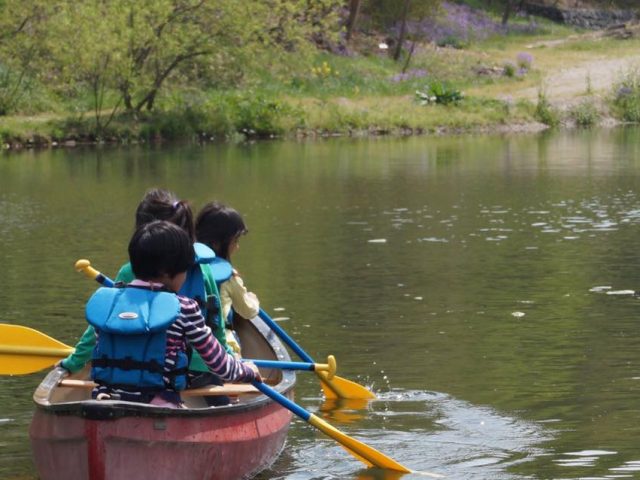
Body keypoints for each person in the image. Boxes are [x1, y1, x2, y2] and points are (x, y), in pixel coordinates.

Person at [59, 189, 232, 392]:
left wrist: (73, 363)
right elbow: (216, 326)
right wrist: (232, 361)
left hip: (145, 373)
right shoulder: (204, 270)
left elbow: (99, 329)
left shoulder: (130, 271)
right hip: (199, 373)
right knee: (219, 393)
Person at [85, 220, 260, 407]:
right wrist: (247, 371)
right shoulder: (184, 308)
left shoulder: (109, 305)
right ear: (170, 272)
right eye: (185, 270)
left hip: (107, 403)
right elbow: (220, 365)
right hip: (161, 409)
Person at [195, 202, 260, 354]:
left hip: (192, 345)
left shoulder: (184, 268)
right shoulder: (229, 275)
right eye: (235, 241)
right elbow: (248, 311)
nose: (237, 247)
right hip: (223, 347)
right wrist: (254, 299)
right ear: (218, 243)